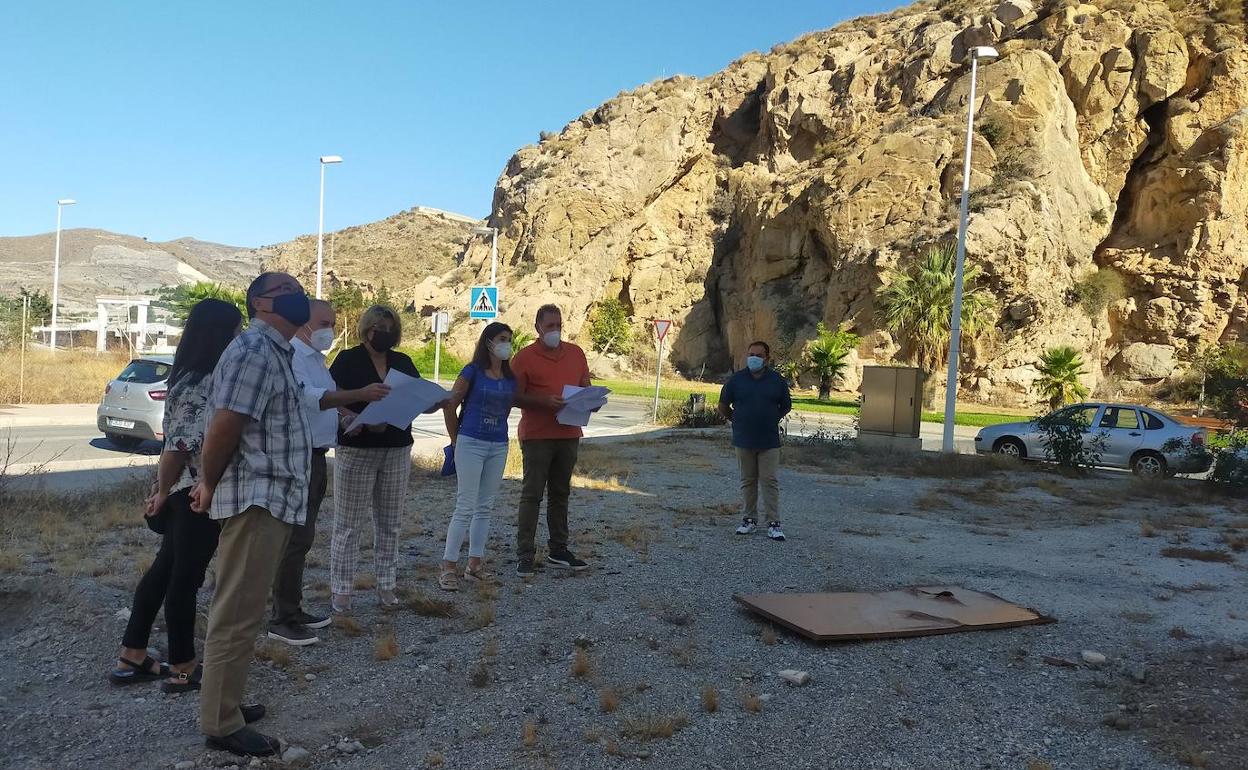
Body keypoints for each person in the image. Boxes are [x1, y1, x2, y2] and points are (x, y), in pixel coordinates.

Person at [192, 272, 313, 758]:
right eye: (288, 290)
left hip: (271, 498)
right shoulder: (254, 352)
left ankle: (229, 704)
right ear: (261, 303)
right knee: (236, 613)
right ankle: (221, 724)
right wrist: (207, 481)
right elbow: (225, 426)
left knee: (246, 608)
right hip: (255, 499)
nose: (299, 296)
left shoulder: (274, 352)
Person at [109, 298, 242, 693]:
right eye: (236, 330)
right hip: (196, 492)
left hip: (189, 489)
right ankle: (183, 666)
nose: (240, 337)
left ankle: (132, 653)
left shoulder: (188, 376)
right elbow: (178, 446)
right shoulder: (203, 381)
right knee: (185, 578)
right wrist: (163, 490)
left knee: (165, 571)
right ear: (221, 333)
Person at [268, 299, 391, 646]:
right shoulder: (292, 357)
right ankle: (281, 617)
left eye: (333, 324)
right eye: (325, 323)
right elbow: (311, 399)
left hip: (318, 455)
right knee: (294, 539)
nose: (331, 331)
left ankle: (292, 609)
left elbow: (327, 404)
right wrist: (359, 395)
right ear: (304, 323)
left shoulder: (316, 361)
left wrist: (347, 416)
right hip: (298, 456)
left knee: (303, 538)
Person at [328, 304, 424, 612]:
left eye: (390, 329)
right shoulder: (346, 360)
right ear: (366, 329)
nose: (384, 334)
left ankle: (387, 585)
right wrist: (348, 416)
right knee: (348, 524)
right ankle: (341, 590)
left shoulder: (403, 361)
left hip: (396, 448)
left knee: (390, 523)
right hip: (356, 448)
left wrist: (434, 400)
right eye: (378, 329)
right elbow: (331, 397)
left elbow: (416, 396)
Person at [511, 304, 593, 576]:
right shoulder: (523, 358)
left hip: (569, 434)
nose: (555, 331)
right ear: (537, 328)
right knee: (532, 495)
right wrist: (543, 402)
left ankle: (559, 550)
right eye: (550, 326)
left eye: (559, 325)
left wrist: (592, 402)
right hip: (537, 437)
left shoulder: (576, 354)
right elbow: (513, 396)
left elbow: (586, 388)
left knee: (561, 494)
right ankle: (525, 553)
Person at [437, 322, 517, 590]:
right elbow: (450, 404)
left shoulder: (509, 377)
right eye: (502, 338)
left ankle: (475, 564)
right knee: (466, 505)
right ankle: (448, 566)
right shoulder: (472, 371)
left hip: (498, 443)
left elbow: (505, 410)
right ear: (489, 342)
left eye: (509, 339)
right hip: (471, 441)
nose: (507, 344)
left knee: (485, 506)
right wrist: (455, 439)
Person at [717, 340, 792, 541]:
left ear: (767, 359)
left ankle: (774, 524)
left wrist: (770, 418)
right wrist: (737, 420)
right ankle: (749, 520)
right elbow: (723, 405)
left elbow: (785, 406)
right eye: (751, 354)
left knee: (769, 481)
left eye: (758, 355)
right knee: (748, 481)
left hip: (769, 441)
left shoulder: (777, 381)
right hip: (744, 439)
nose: (754, 358)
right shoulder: (736, 380)